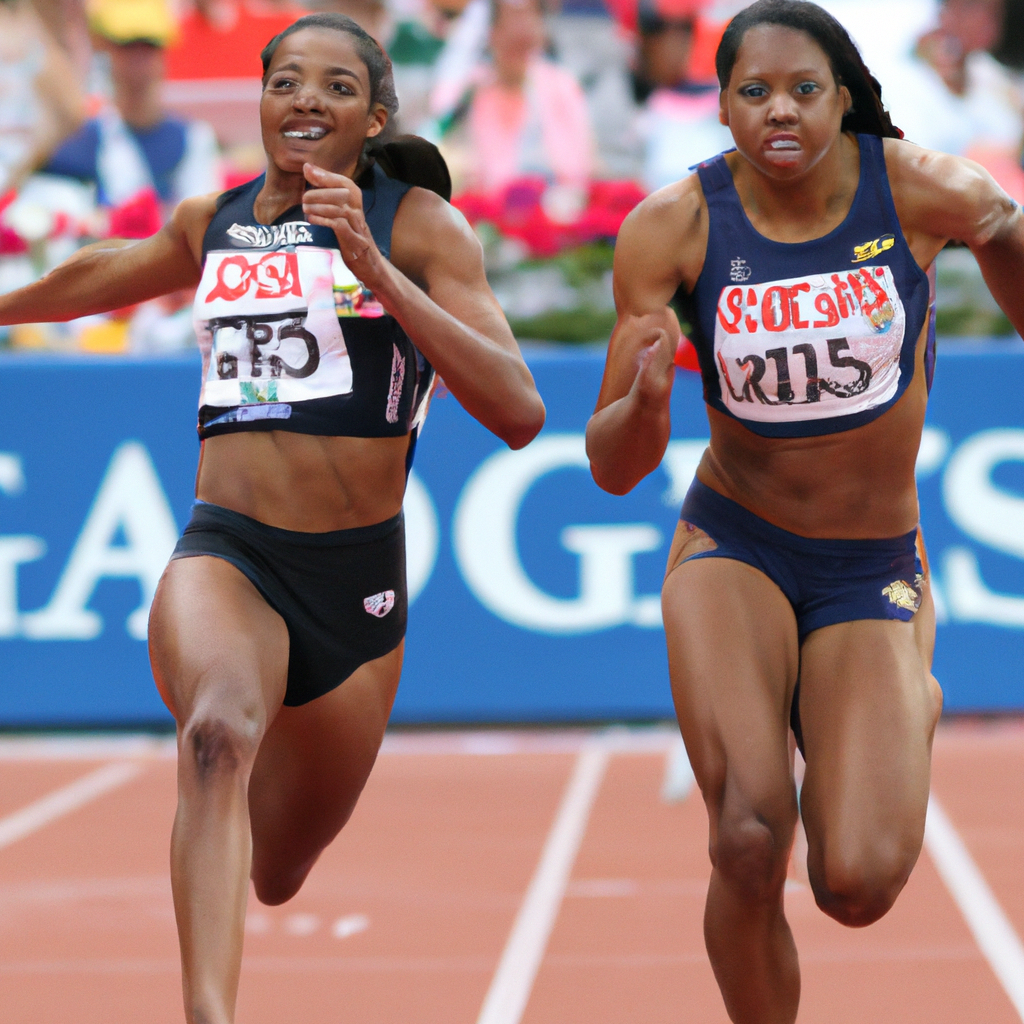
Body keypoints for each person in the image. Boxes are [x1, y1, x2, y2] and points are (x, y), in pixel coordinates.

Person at [0, 13, 544, 1023]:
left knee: (281, 867)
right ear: (258, 102)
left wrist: (375, 272)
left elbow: (518, 409)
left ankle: (242, 840)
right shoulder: (217, 222)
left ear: (372, 117)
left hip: (355, 585)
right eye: (284, 80)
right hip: (229, 553)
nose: (304, 100)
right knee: (214, 736)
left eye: (335, 87)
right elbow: (96, 274)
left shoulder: (419, 225)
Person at [585, 1, 1023, 1021]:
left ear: (842, 97)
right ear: (723, 104)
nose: (779, 110)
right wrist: (642, 402)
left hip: (868, 559)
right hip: (734, 542)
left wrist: (1002, 234)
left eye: (803, 90)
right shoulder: (673, 227)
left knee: (856, 885)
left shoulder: (917, 189)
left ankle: (903, 693)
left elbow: (997, 225)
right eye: (753, 91)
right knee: (745, 834)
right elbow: (612, 466)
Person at [44, 0, 219, 218]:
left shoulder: (191, 139)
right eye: (126, 46)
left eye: (148, 46)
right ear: (105, 50)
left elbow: (203, 224)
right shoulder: (84, 138)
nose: (138, 59)